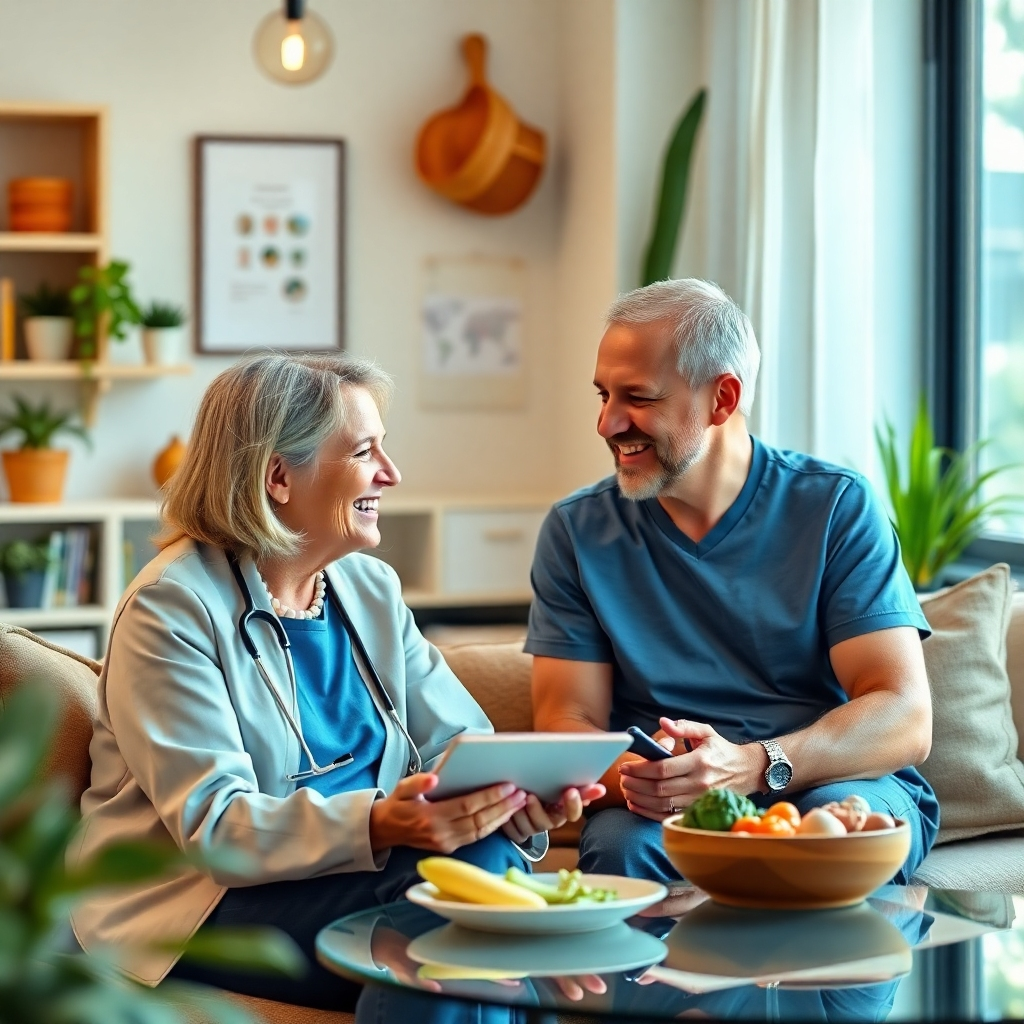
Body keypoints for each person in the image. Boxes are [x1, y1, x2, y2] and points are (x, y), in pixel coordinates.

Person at [69, 353, 601, 1015]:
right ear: (278, 476)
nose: (391, 473)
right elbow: (218, 827)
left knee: (479, 877)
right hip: (199, 900)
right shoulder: (171, 608)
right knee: (457, 913)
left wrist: (508, 801)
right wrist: (381, 823)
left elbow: (457, 745)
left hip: (356, 869)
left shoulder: (369, 588)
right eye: (364, 451)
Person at [526, 278, 938, 885]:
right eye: (604, 394)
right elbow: (567, 724)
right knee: (620, 849)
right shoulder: (577, 531)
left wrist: (752, 765)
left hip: (829, 779)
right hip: (667, 804)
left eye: (637, 397)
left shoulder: (835, 507)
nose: (607, 422)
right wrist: (660, 778)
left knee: (833, 836)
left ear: (722, 398)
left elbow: (904, 714)